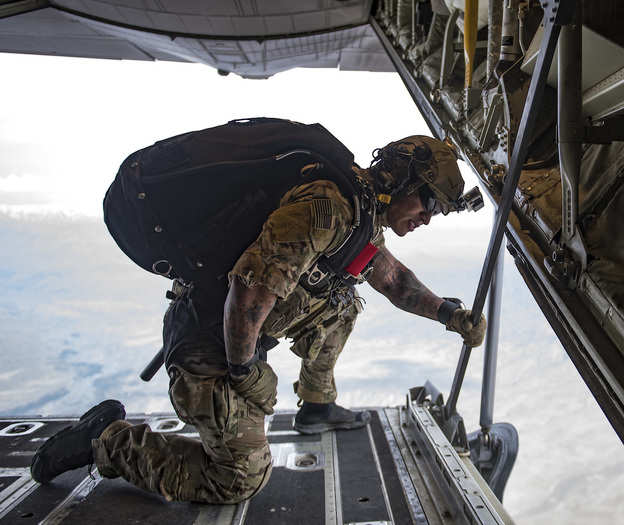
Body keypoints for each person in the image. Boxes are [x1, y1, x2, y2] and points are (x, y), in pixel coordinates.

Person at [30, 128, 487, 504]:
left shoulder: (360, 214)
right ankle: (105, 441)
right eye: (429, 205)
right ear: (405, 183)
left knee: (344, 299)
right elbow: (249, 292)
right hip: (209, 344)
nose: (428, 218)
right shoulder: (327, 207)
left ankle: (317, 402)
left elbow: (393, 280)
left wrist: (449, 314)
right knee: (240, 480)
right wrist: (245, 372)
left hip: (237, 335)